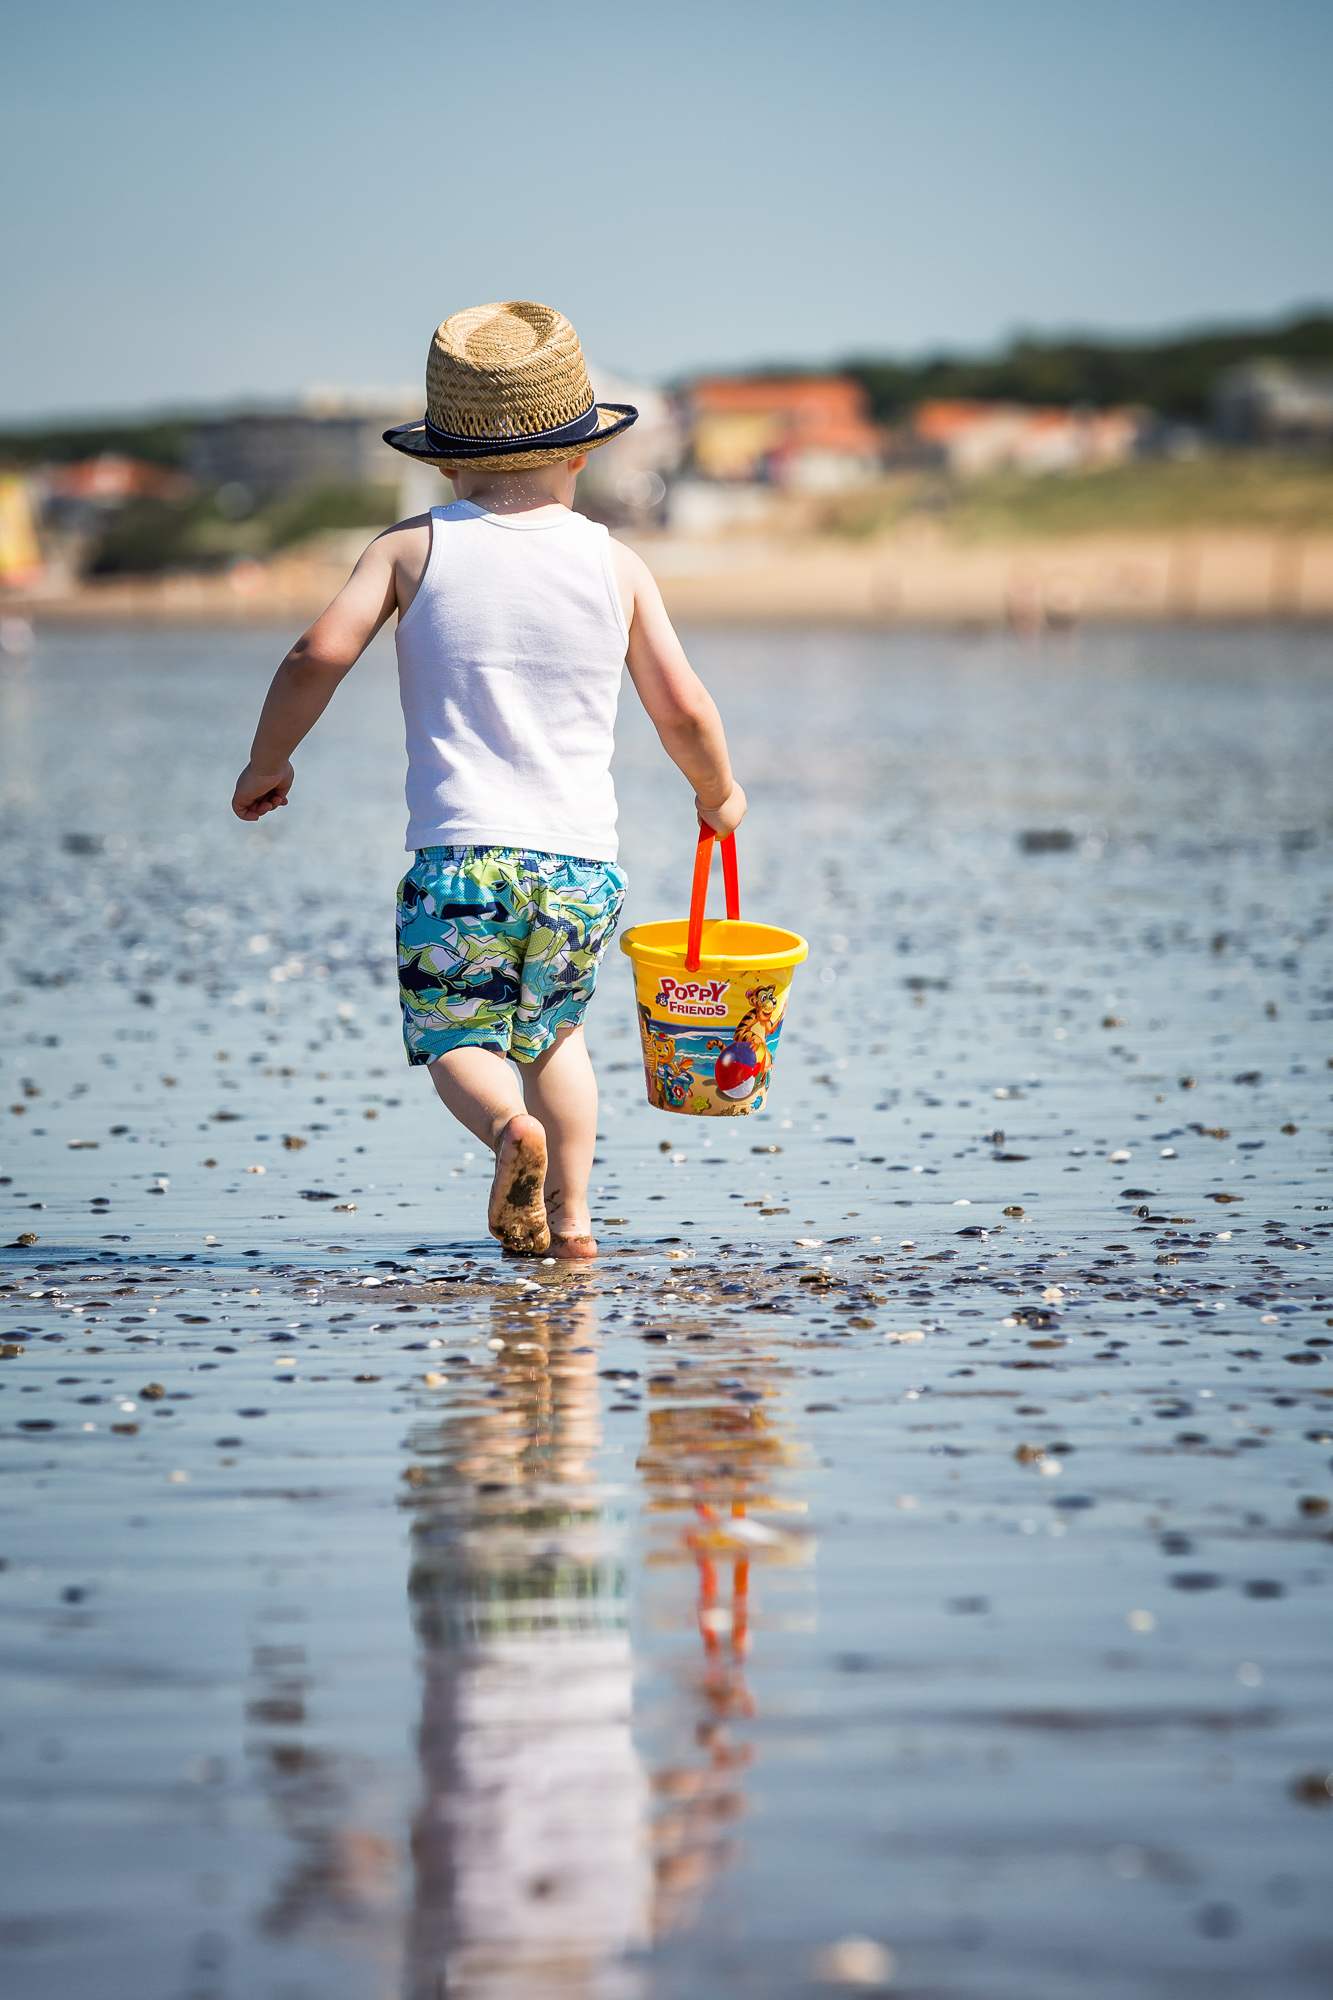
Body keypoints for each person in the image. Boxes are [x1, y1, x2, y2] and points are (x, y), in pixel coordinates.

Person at [231, 300, 744, 1260]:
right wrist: (717, 796)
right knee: (557, 1036)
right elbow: (683, 707)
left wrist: (270, 760)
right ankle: (576, 1225)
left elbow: (314, 656)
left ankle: (509, 1132)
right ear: (582, 453)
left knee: (455, 1033)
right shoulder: (615, 563)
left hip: (462, 859)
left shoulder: (410, 547)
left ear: (440, 459)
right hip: (582, 868)